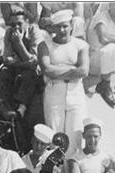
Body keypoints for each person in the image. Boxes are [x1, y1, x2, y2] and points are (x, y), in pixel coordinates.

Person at [39, 9, 90, 148]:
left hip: (75, 92)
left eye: (65, 26)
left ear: (71, 26)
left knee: (76, 135)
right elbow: (47, 70)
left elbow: (84, 71)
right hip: (54, 92)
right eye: (58, 26)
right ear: (53, 27)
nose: (62, 30)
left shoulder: (81, 45)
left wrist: (57, 70)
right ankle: (55, 169)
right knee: (54, 136)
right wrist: (73, 70)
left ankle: (72, 168)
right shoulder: (44, 45)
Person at [0, 9, 43, 124]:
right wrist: (23, 62)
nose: (16, 27)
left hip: (32, 71)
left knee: (30, 73)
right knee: (4, 71)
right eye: (13, 24)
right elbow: (7, 59)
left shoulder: (34, 31)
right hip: (16, 68)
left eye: (19, 24)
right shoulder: (8, 32)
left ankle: (22, 108)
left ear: (27, 22)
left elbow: (34, 61)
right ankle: (4, 105)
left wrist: (19, 43)